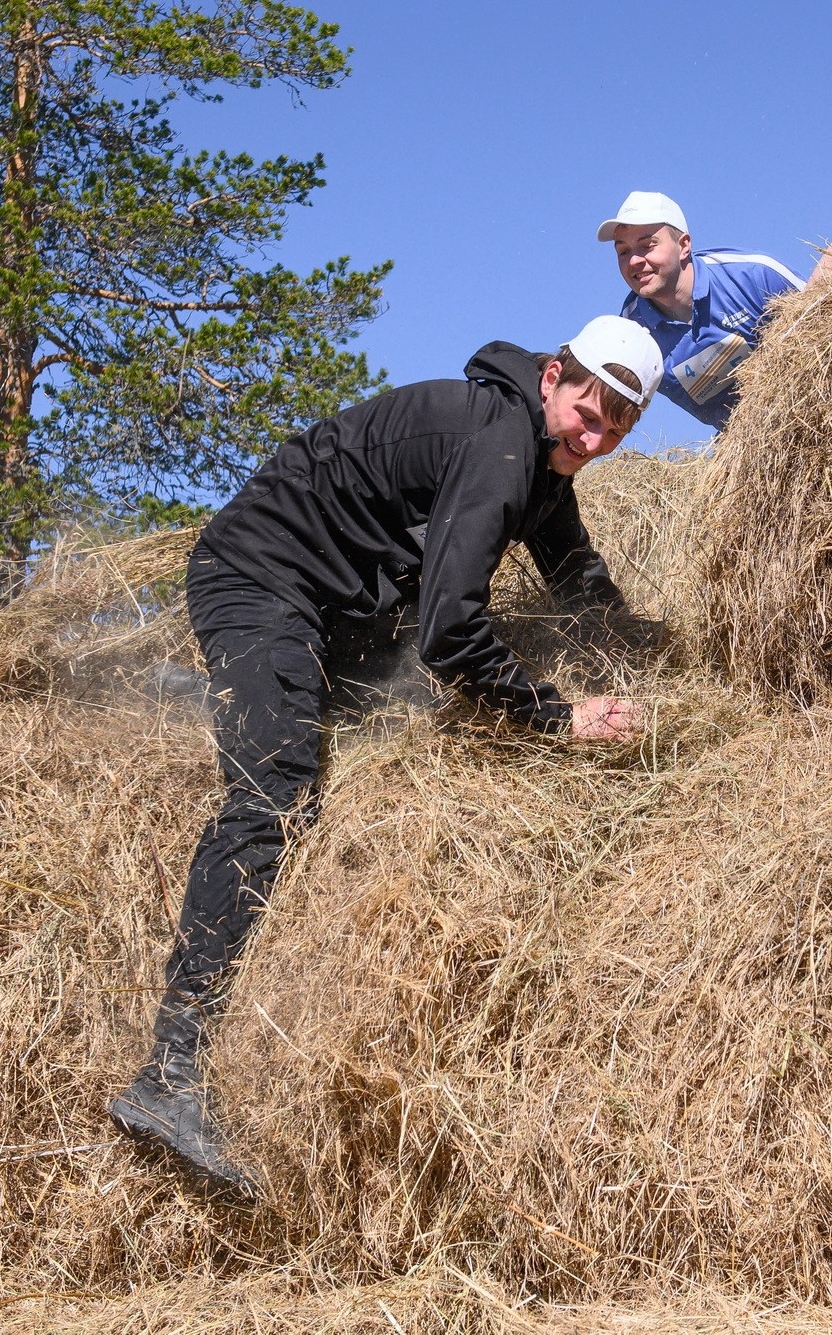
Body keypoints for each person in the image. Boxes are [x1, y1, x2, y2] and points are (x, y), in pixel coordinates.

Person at [109, 317, 664, 1192]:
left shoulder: (542, 459)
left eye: (615, 431)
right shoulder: (502, 445)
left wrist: (655, 655)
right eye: (587, 413)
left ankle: (212, 695)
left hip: (335, 610)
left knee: (396, 708)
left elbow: (576, 576)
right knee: (279, 792)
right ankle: (170, 1069)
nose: (592, 439)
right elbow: (450, 632)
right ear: (555, 377)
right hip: (261, 577)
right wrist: (557, 717)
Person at [605, 190, 804, 432]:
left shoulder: (755, 276)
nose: (634, 261)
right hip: (746, 444)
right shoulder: (630, 336)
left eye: (647, 245)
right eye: (623, 251)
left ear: (684, 245)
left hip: (809, 405)